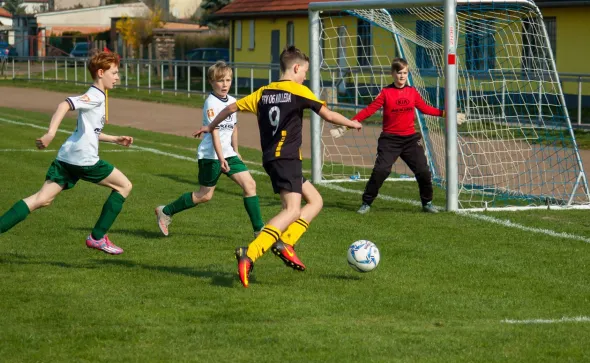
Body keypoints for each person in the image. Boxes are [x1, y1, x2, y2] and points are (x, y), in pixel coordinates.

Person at [195, 46, 362, 288]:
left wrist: (211, 126)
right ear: (296, 68)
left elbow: (230, 108)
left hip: (271, 159)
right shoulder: (298, 90)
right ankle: (250, 253)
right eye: (304, 71)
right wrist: (352, 122)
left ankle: (286, 242)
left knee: (315, 200)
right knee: (292, 210)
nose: (305, 76)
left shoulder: (263, 92)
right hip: (288, 158)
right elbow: (328, 115)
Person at [0, 51, 133, 254]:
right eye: (114, 73)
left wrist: (114, 138)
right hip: (83, 159)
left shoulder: (99, 96)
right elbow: (65, 104)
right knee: (124, 186)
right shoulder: (95, 96)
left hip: (67, 156)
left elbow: (89, 131)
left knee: (41, 199)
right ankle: (97, 237)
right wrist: (50, 133)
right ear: (100, 73)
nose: (117, 77)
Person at [331, 57, 465, 214]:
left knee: (423, 171)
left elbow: (425, 109)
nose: (402, 76)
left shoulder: (412, 92)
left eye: (405, 73)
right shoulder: (385, 93)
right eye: (399, 72)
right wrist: (348, 124)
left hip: (410, 140)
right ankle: (366, 202)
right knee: (381, 171)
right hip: (390, 140)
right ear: (393, 73)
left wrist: (447, 114)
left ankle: (427, 203)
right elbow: (369, 110)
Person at [154, 61, 264, 237]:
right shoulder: (211, 103)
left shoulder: (233, 101)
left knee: (250, 184)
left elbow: (234, 127)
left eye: (228, 80)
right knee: (205, 195)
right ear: (211, 82)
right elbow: (214, 132)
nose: (225, 84)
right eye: (220, 80)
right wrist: (221, 158)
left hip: (228, 153)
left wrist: (236, 151)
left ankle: (259, 230)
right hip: (211, 156)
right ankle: (166, 211)